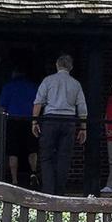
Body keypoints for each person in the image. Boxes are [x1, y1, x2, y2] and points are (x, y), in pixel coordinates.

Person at [31, 54, 87, 194]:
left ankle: (48, 190)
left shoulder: (48, 81)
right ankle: (60, 191)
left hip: (50, 120)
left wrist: (34, 121)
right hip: (69, 121)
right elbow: (82, 107)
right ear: (71, 67)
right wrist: (83, 128)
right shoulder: (76, 84)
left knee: (46, 156)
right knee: (64, 157)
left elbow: (38, 102)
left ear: (57, 65)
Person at [0, 65, 39, 186]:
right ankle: (33, 173)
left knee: (13, 152)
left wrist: (1, 122)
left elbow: (2, 107)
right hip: (29, 120)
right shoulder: (33, 86)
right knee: (32, 149)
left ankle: (14, 179)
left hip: (12, 121)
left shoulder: (8, 86)